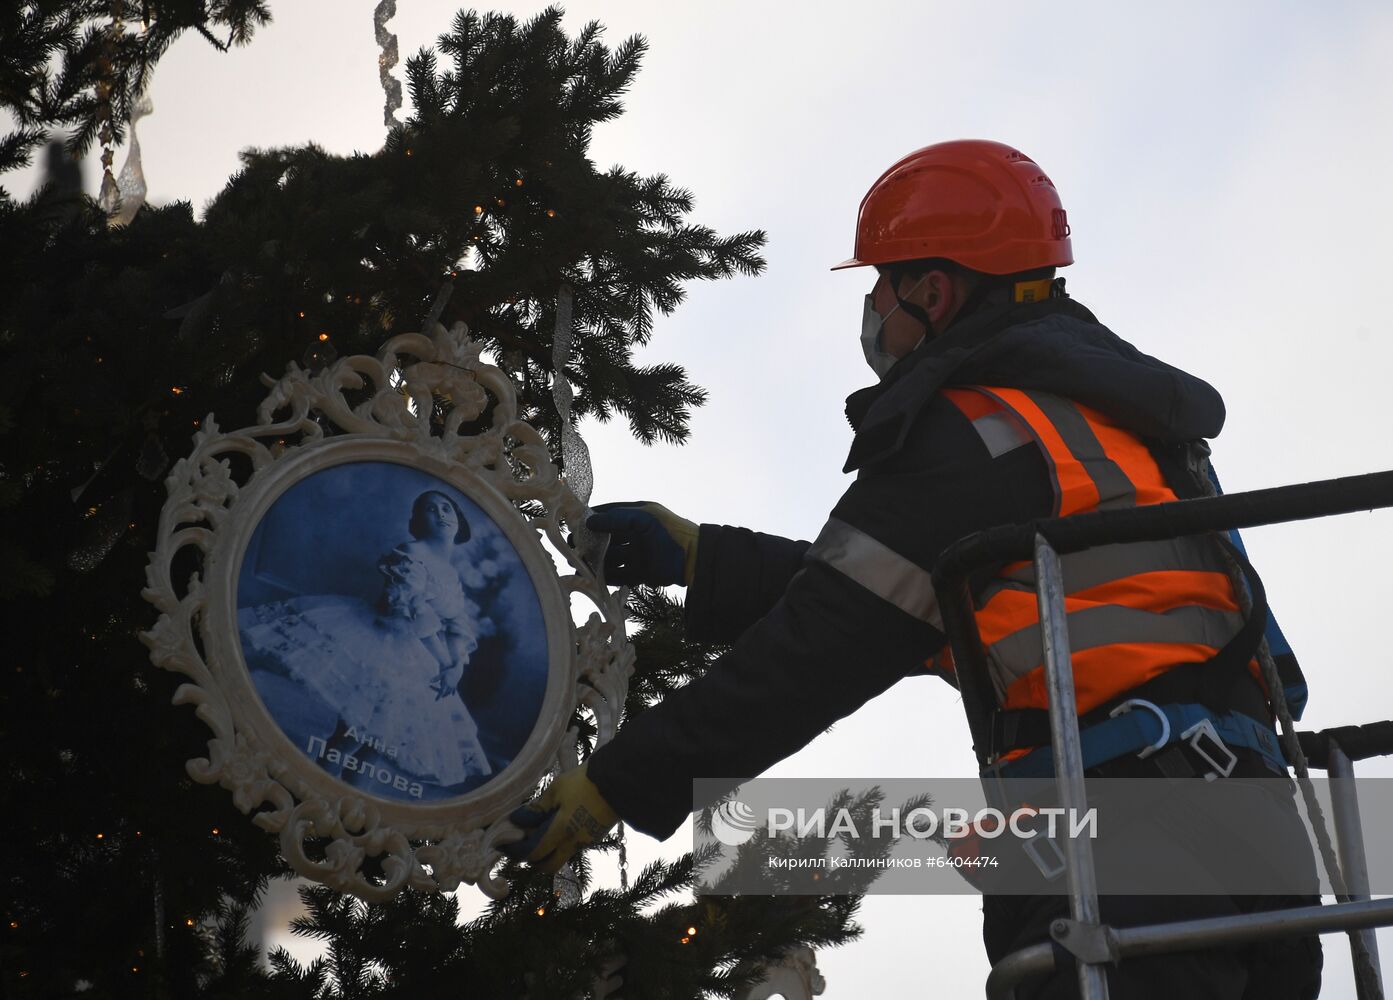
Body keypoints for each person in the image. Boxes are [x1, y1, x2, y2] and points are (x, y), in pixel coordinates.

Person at [505, 140, 1322, 997]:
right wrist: (713, 560)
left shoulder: (975, 430)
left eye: (880, 283)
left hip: (1121, 840)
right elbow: (949, 611)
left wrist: (616, 783)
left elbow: (822, 647)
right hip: (1257, 832)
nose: (870, 307)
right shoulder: (1121, 429)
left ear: (932, 292)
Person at [239, 488, 492, 790]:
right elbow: (414, 611)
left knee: (378, 746)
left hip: (419, 660)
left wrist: (457, 666)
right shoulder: (411, 552)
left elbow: (457, 624)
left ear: (460, 522)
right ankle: (314, 793)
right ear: (417, 520)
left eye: (446, 508)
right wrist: (444, 662)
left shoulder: (451, 574)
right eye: (429, 509)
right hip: (382, 642)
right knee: (351, 737)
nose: (440, 514)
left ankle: (352, 804)